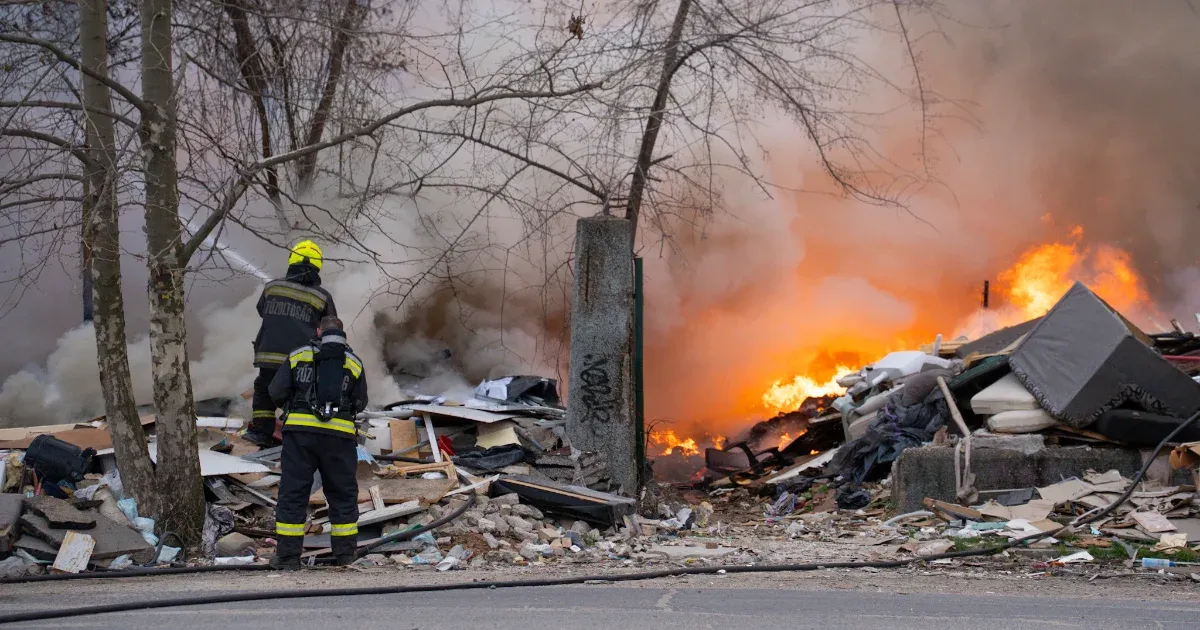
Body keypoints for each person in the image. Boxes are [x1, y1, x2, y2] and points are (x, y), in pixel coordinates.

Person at [268, 316, 368, 569]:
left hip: (301, 435)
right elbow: (360, 401)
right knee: (342, 494)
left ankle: (288, 558)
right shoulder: (354, 362)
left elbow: (276, 391)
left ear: (318, 332)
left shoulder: (298, 355)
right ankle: (345, 554)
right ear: (343, 333)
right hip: (340, 437)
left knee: (294, 492)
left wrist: (296, 406)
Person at [247, 239, 336, 447]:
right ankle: (295, 437)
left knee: (264, 391)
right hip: (301, 360)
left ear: (291, 261)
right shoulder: (322, 296)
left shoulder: (272, 287)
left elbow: (262, 311)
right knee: (298, 397)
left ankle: (261, 434)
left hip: (268, 358)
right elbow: (330, 326)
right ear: (317, 266)